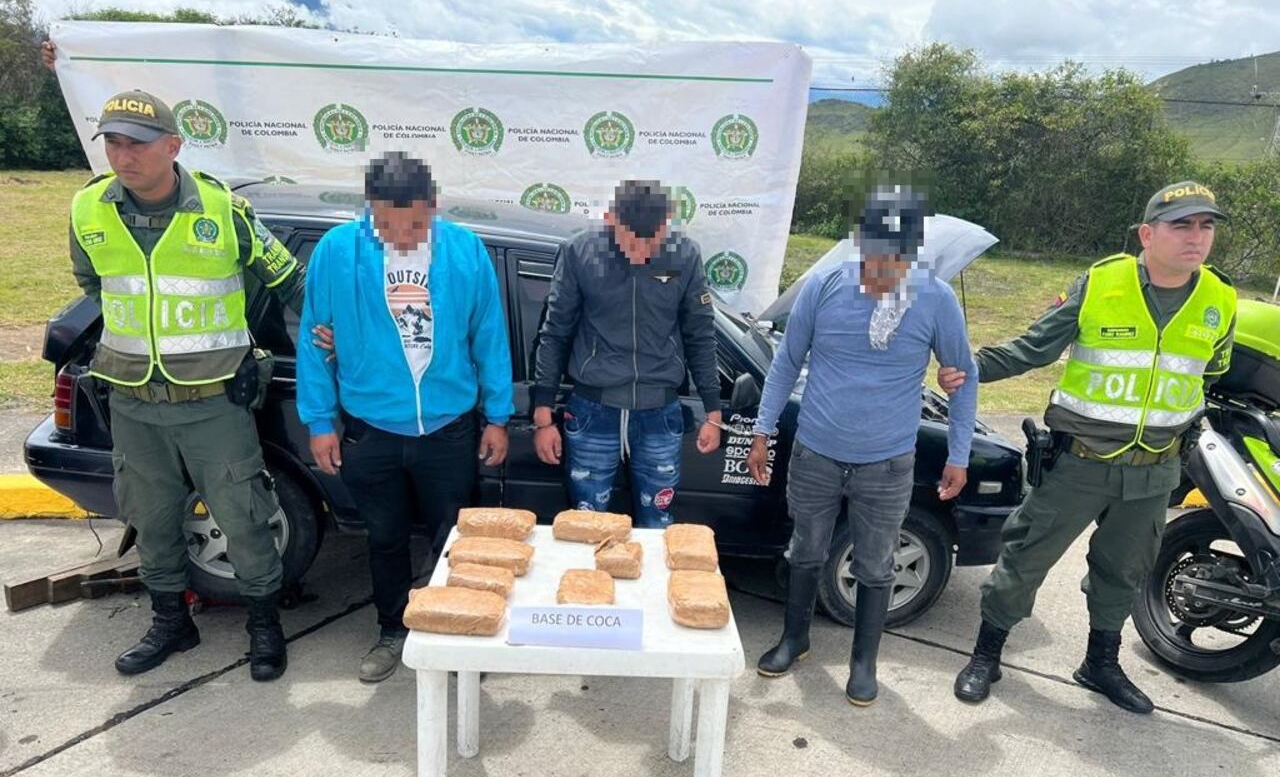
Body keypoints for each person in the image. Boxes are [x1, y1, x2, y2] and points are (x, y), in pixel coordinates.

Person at [937, 181, 1236, 714]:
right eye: (1182, 225)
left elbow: (1211, 375)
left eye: (1206, 226)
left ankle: (1100, 663)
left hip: (1155, 473)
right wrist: (973, 369)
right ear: (1148, 234)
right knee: (1024, 561)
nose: (1196, 237)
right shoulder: (1101, 283)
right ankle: (987, 655)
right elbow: (1035, 345)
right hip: (1080, 464)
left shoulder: (1221, 299)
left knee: (1124, 570)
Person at [67, 90, 305, 680]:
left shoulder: (224, 212)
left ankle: (264, 625)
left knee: (244, 517)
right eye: (114, 144)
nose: (125, 157)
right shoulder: (88, 209)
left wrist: (322, 341)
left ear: (173, 146)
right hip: (132, 401)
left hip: (213, 404)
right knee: (151, 518)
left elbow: (289, 281)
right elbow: (94, 286)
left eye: (138, 144)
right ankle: (173, 623)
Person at [747, 186, 978, 706]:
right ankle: (794, 639)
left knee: (876, 564)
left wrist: (959, 454)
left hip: (888, 462)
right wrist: (763, 431)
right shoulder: (823, 286)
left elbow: (965, 379)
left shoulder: (936, 299)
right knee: (805, 550)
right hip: (816, 451)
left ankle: (862, 661)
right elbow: (785, 363)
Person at [298, 152, 513, 683]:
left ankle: (462, 635)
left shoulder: (464, 250)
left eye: (414, 223)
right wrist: (320, 420)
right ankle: (393, 630)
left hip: (449, 426)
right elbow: (314, 336)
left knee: (455, 539)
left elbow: (490, 335)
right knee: (386, 537)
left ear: (434, 207)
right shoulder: (337, 252)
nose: (401, 234)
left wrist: (498, 415)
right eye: (387, 224)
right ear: (369, 211)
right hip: (371, 429)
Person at [530, 180, 722, 528]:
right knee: (586, 525)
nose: (641, 253)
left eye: (651, 242)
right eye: (630, 241)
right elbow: (555, 331)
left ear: (666, 227)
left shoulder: (685, 255)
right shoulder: (579, 252)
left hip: (659, 415)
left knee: (658, 524)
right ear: (609, 220)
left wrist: (713, 409)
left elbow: (701, 334)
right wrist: (542, 413)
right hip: (592, 412)